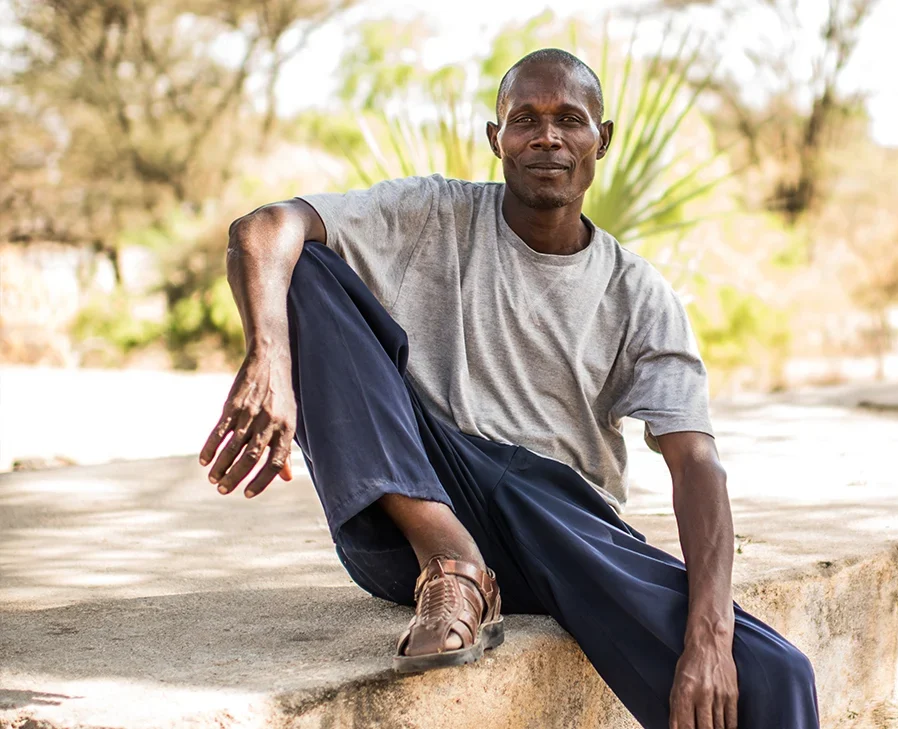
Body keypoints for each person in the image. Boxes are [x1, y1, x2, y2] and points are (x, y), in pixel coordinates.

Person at [198, 48, 818, 729]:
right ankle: (452, 558)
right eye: (525, 118)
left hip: (561, 533)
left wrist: (709, 638)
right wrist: (270, 362)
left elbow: (696, 462)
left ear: (600, 140)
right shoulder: (433, 213)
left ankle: (475, 566)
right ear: (496, 140)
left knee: (775, 675)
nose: (547, 136)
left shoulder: (637, 293)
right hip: (411, 522)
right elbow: (260, 229)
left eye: (569, 120)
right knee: (307, 270)